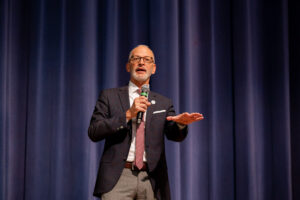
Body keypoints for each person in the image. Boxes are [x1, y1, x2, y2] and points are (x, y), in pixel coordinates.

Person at [88, 45, 204, 200]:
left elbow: (174, 135)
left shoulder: (164, 102)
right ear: (128, 66)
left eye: (147, 60)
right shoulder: (110, 96)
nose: (141, 62)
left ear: (153, 68)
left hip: (152, 179)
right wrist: (128, 115)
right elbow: (94, 131)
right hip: (118, 178)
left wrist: (181, 124)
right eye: (136, 58)